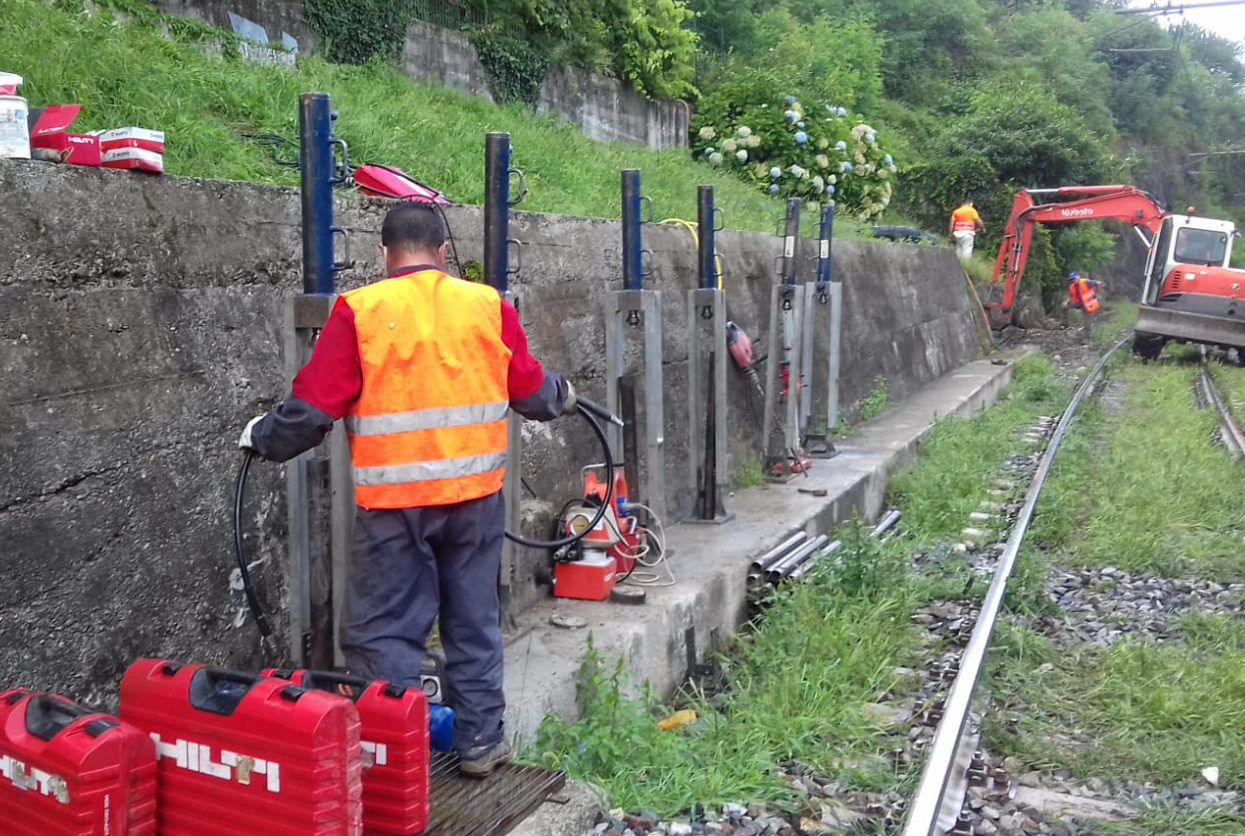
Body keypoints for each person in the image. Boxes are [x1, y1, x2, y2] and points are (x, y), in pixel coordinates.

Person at [238, 200, 576, 777]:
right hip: (474, 503)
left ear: (383, 253)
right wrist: (562, 393)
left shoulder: (360, 311)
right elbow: (533, 391)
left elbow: (313, 412)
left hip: (394, 509)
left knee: (383, 633)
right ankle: (478, 744)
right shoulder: (486, 305)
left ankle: (392, 759)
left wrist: (261, 438)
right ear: (443, 252)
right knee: (472, 621)